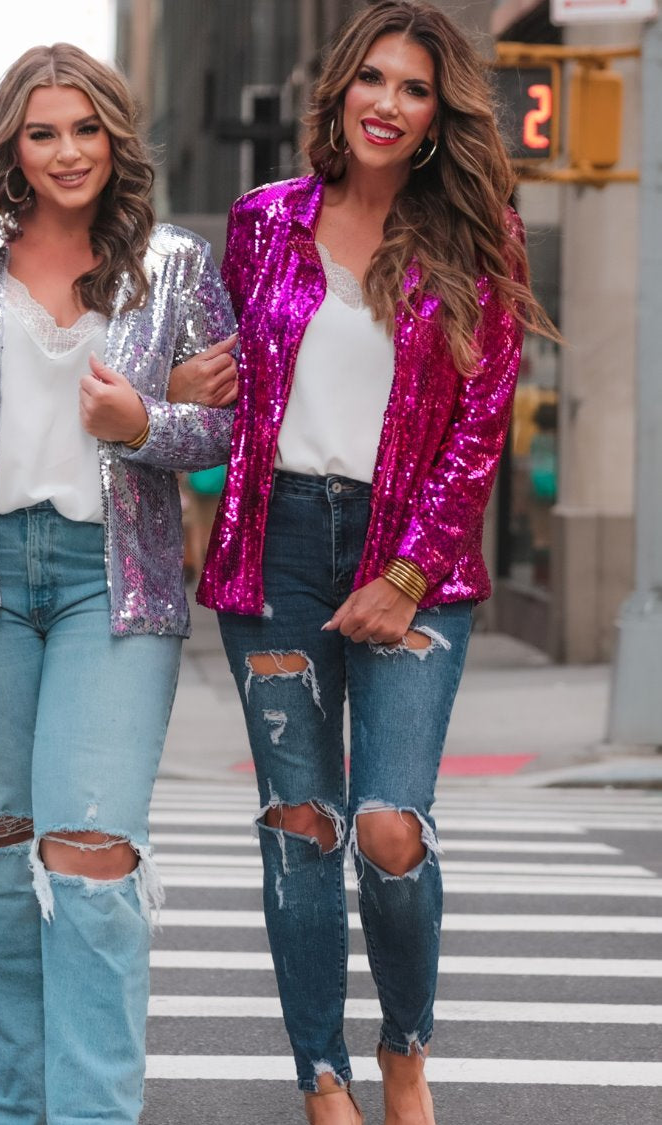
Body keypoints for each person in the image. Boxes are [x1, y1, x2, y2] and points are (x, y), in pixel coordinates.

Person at [197, 3, 559, 1123]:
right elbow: (225, 392)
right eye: (373, 79)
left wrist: (404, 575)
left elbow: (481, 425)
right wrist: (176, 390)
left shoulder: (478, 237)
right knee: (301, 825)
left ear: (439, 117)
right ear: (340, 88)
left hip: (416, 561)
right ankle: (323, 1080)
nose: (388, 104)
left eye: (414, 89)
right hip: (278, 551)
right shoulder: (262, 222)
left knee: (389, 826)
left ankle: (405, 1048)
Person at [0, 43, 236, 1125]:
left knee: (92, 860)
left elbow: (227, 427)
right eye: (41, 134)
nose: (68, 152)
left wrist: (144, 421)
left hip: (108, 586)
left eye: (86, 129)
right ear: (10, 147)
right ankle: (13, 1111)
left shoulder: (173, 264)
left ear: (116, 138)